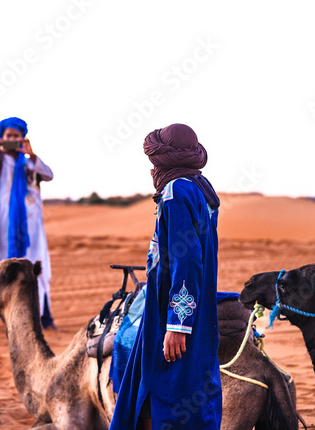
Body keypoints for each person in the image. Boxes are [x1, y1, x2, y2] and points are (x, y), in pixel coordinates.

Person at [110, 123, 222, 430]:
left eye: (154, 162)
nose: (151, 169)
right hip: (195, 304)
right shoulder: (201, 186)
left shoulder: (176, 192)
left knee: (164, 386)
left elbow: (187, 262)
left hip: (170, 309)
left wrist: (178, 324)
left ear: (163, 161)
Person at [0, 117, 57, 330]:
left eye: (17, 136)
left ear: (23, 138)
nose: (13, 140)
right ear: (1, 138)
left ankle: (42, 315)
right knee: (0, 266)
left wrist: (31, 153)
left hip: (29, 226)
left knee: (34, 265)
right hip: (0, 224)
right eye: (9, 136)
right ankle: (4, 313)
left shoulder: (30, 162)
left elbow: (49, 175)